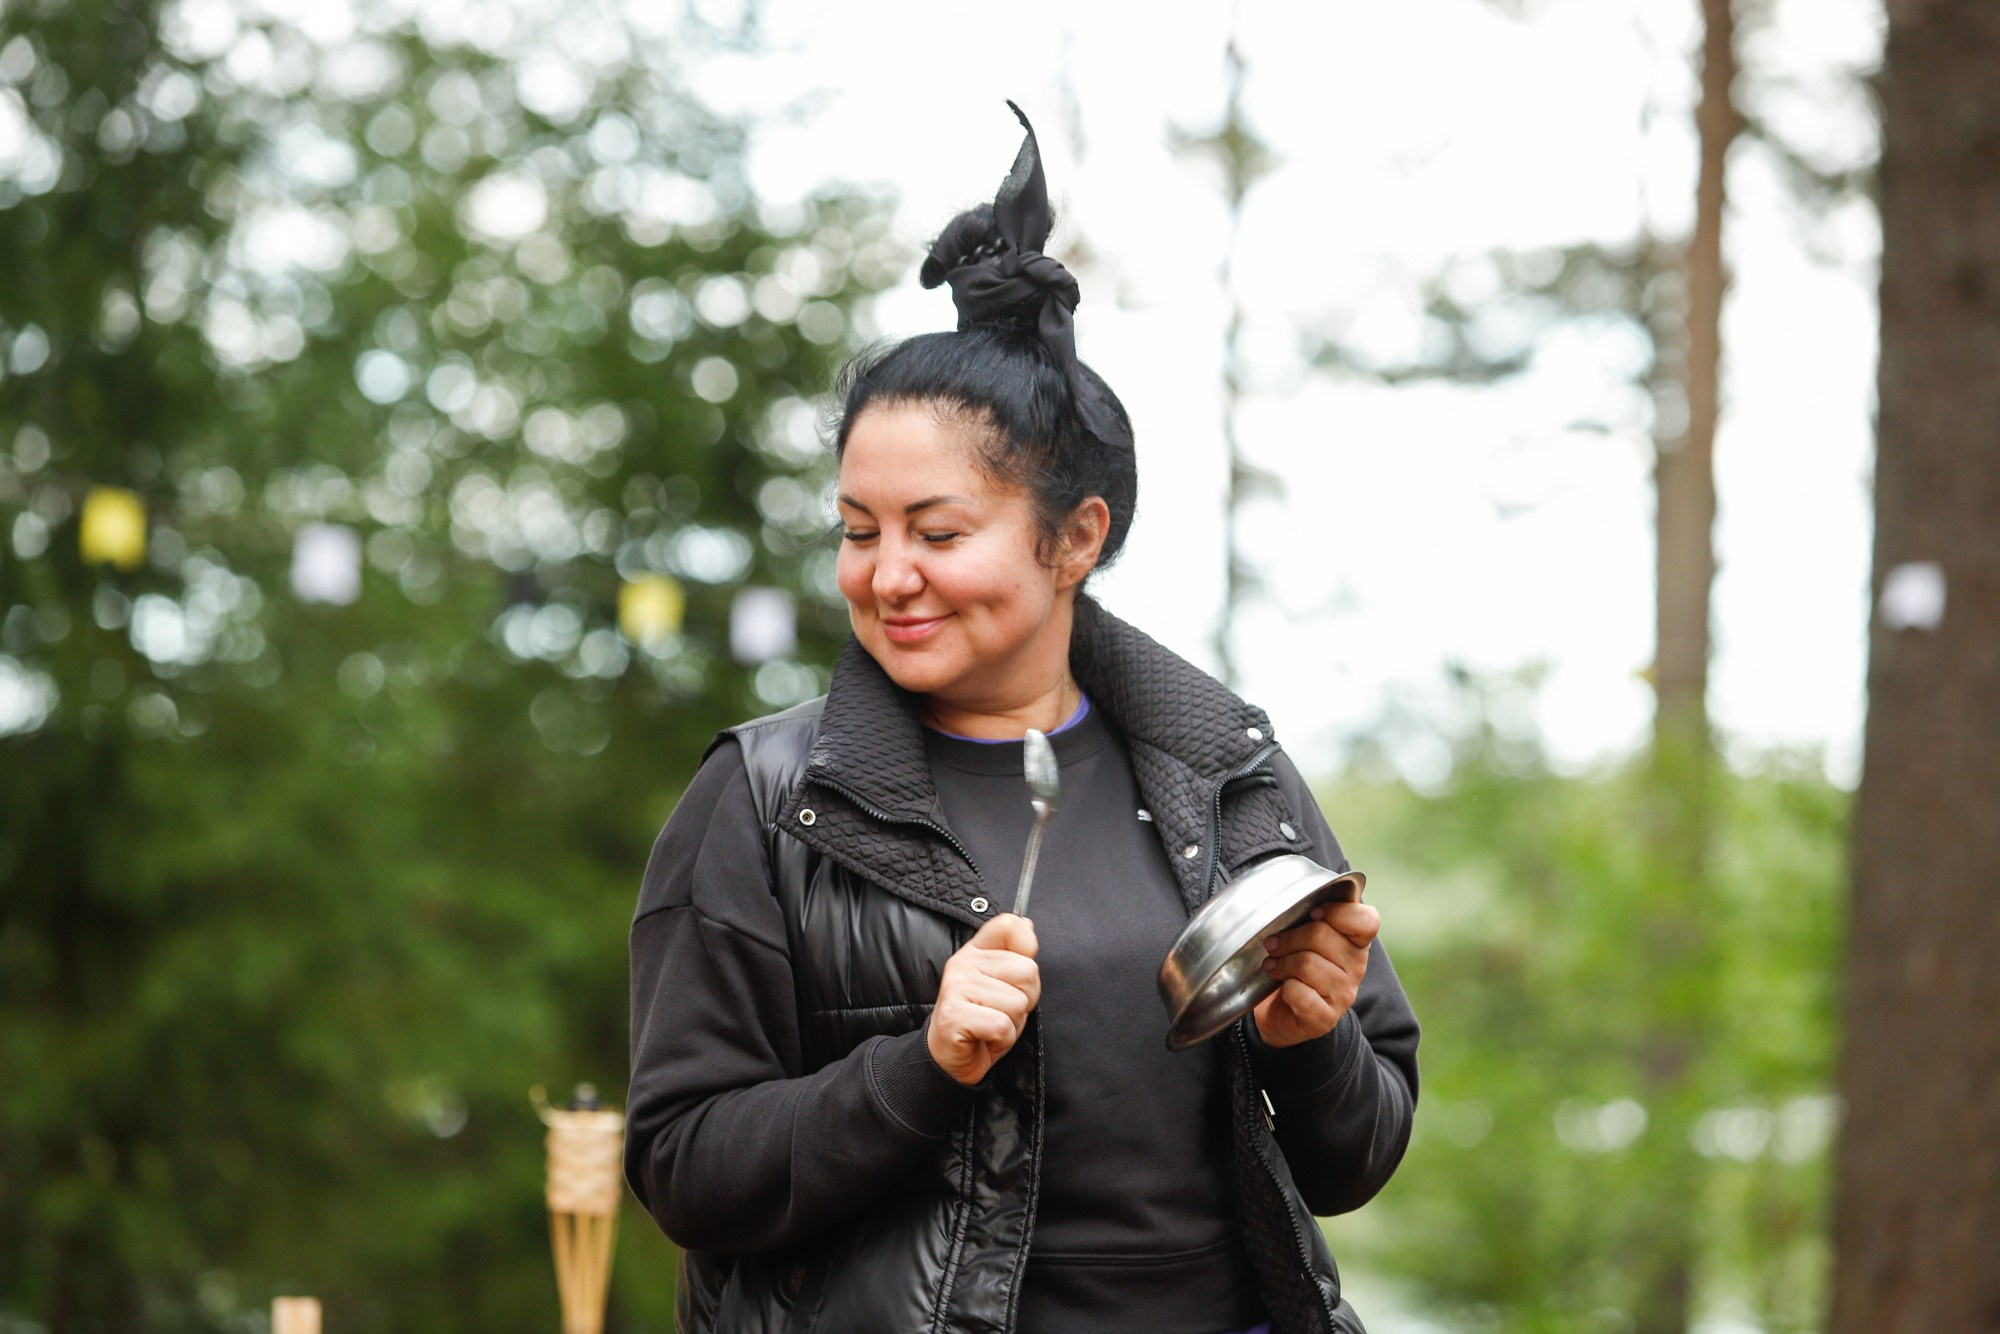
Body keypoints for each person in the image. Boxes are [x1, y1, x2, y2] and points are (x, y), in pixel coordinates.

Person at [625, 103, 1419, 1334]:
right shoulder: (768, 798)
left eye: (936, 533)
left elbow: (1351, 1161)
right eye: (856, 529)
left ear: (1075, 538)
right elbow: (683, 1163)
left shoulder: (1228, 771)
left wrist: (1310, 1038)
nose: (887, 574)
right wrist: (920, 1063)